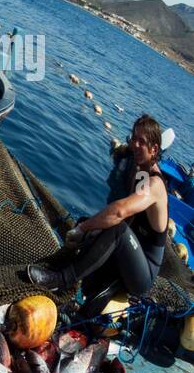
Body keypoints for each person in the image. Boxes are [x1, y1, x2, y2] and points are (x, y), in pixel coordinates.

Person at [26, 114, 168, 298]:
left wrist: (84, 228)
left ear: (154, 148)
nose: (135, 145)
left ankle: (61, 281)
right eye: (134, 139)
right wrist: (88, 228)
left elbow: (119, 212)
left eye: (142, 141)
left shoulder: (155, 185)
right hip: (128, 257)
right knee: (92, 224)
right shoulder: (141, 172)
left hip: (142, 276)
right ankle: (71, 270)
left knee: (115, 228)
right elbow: (128, 215)